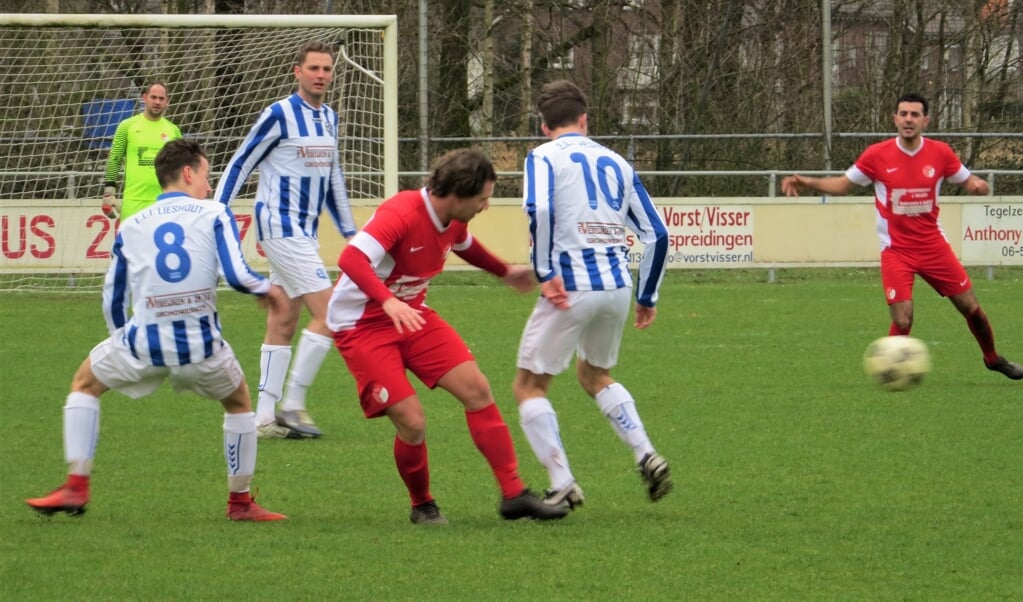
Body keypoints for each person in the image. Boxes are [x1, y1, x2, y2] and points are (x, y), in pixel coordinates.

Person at [26, 139, 288, 521]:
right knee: (238, 403)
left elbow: (113, 296)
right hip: (202, 349)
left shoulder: (131, 225)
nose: (209, 185)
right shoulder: (214, 212)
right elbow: (236, 275)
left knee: (84, 383)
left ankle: (76, 486)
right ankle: (240, 503)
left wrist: (121, 340)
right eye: (206, 175)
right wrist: (267, 290)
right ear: (187, 173)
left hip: (142, 345)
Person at [326, 148, 569, 524]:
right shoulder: (402, 213)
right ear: (458, 193)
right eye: (483, 198)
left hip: (412, 316)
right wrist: (389, 302)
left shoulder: (451, 219)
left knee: (477, 389)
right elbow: (351, 260)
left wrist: (504, 272)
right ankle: (422, 505)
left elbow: (463, 243)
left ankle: (513, 495)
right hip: (361, 325)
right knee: (413, 421)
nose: (486, 206)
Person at [512, 79, 674, 510]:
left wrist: (545, 271)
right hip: (617, 288)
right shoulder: (617, 162)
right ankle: (645, 453)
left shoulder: (541, 157)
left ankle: (562, 481)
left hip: (570, 286)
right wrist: (648, 295)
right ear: (585, 120)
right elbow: (658, 235)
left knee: (529, 386)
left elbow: (540, 209)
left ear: (543, 126)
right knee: (595, 375)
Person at [781, 92, 1023, 380]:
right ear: (895, 118)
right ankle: (893, 373)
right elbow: (844, 184)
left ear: (925, 121)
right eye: (904, 114)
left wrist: (977, 185)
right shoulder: (877, 155)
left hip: (934, 247)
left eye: (915, 114)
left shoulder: (941, 153)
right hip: (897, 251)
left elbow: (966, 178)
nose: (909, 119)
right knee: (903, 317)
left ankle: (993, 358)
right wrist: (808, 182)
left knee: (971, 308)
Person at [214, 41, 357, 439]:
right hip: (280, 226)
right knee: (332, 313)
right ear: (297, 72)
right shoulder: (278, 114)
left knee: (284, 318)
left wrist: (350, 232)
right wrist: (216, 208)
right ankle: (293, 404)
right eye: (313, 68)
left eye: (327, 69)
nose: (321, 75)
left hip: (304, 231)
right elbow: (242, 160)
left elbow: (333, 178)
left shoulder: (329, 117)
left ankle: (262, 418)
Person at [102, 82, 182, 220]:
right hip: (134, 203)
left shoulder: (173, 131)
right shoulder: (127, 126)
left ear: (167, 102)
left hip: (164, 204)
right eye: (153, 97)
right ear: (144, 98)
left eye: (161, 98)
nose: (157, 102)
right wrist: (109, 192)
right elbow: (114, 158)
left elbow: (181, 167)